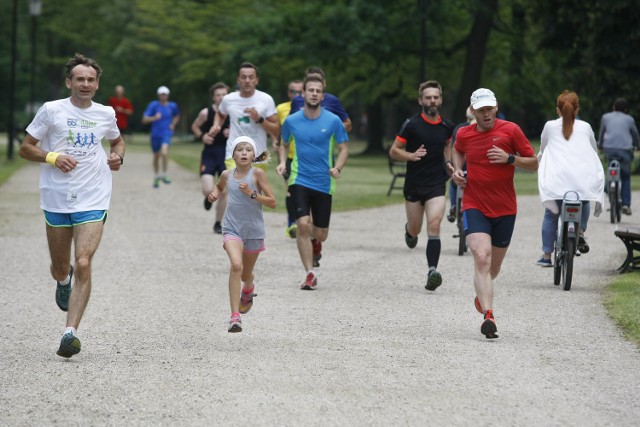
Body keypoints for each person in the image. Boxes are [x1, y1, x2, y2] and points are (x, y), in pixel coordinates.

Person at [18, 53, 125, 358]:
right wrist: (52, 157)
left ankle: (70, 333)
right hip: (56, 195)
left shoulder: (105, 113)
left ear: (97, 84)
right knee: (61, 266)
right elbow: (26, 148)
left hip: (94, 194)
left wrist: (118, 156)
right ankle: (62, 281)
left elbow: (117, 141)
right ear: (69, 82)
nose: (85, 84)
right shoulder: (51, 111)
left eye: (91, 79)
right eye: (80, 79)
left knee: (84, 262)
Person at [451, 88, 538, 339]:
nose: (486, 114)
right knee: (481, 257)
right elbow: (457, 149)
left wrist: (510, 159)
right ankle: (488, 315)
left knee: (493, 268)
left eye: (489, 108)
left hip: (505, 209)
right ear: (473, 111)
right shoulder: (464, 133)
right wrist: (458, 170)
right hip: (474, 204)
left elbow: (533, 163)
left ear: (496, 107)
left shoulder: (511, 130)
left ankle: (482, 296)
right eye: (481, 110)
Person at [277, 74, 349, 290]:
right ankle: (309, 273)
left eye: (318, 91)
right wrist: (282, 162)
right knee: (302, 224)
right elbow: (282, 143)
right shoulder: (291, 121)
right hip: (299, 177)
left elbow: (344, 148)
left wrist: (337, 168)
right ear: (304, 93)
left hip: (324, 182)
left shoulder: (333, 121)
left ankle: (316, 243)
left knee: (321, 233)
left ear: (322, 95)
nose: (314, 94)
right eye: (311, 90)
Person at [389, 80, 455, 291]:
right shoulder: (412, 124)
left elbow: (448, 148)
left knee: (434, 225)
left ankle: (432, 271)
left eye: (436, 97)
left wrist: (450, 164)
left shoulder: (447, 127)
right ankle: (409, 232)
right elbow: (394, 151)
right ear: (420, 100)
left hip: (436, 183)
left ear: (441, 100)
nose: (432, 100)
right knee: (417, 229)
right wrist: (411, 155)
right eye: (428, 97)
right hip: (414, 185)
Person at [207, 136, 276, 332]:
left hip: (253, 231)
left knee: (246, 274)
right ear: (233, 155)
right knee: (236, 265)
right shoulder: (226, 175)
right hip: (232, 228)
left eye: (248, 149)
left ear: (254, 155)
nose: (244, 152)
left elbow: (273, 202)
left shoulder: (258, 175)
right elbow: (219, 187)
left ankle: (249, 288)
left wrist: (252, 194)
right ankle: (235, 317)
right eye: (240, 149)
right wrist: (215, 193)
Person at [537, 90, 604, 266]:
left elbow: (544, 149)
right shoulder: (586, 127)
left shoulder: (550, 126)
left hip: (556, 181)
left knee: (551, 215)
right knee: (584, 200)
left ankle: (546, 256)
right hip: (580, 181)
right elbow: (593, 150)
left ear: (558, 109)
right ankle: (580, 231)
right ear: (577, 109)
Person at [209, 62, 279, 171]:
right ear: (238, 80)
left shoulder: (266, 99)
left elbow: (276, 130)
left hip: (260, 155)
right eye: (243, 77)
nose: (247, 80)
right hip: (233, 153)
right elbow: (220, 114)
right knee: (236, 186)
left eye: (251, 77)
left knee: (253, 188)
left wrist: (260, 119)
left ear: (257, 80)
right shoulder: (228, 99)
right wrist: (216, 125)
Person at [191, 82, 231, 233]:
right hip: (209, 153)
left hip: (226, 154)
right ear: (213, 97)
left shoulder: (233, 112)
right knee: (209, 189)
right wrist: (202, 136)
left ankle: (218, 223)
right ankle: (208, 197)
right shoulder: (206, 113)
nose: (221, 97)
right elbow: (194, 126)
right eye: (218, 95)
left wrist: (232, 132)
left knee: (224, 191)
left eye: (224, 94)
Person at [598, 98, 640, 215]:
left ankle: (608, 189)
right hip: (625, 150)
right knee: (626, 176)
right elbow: (635, 135)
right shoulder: (630, 119)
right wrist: (637, 145)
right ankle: (626, 204)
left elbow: (602, 133)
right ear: (626, 109)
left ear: (613, 107)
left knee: (610, 170)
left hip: (609, 150)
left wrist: (601, 145)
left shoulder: (605, 117)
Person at [276, 79, 304, 239]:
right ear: (289, 93)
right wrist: (276, 141)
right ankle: (291, 223)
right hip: (289, 157)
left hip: (305, 158)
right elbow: (279, 129)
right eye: (294, 92)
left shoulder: (309, 108)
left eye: (300, 92)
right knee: (291, 190)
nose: (297, 95)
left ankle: (301, 222)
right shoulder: (281, 109)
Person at [142, 85, 181, 188]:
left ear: (168, 95)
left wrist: (173, 124)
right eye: (162, 94)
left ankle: (164, 174)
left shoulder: (172, 106)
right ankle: (156, 176)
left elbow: (177, 115)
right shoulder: (154, 105)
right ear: (159, 95)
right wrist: (155, 117)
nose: (163, 96)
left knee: (164, 152)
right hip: (155, 134)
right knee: (156, 156)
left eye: (165, 94)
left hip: (166, 133)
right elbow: (144, 119)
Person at [447, 107, 476, 222]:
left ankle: (453, 205)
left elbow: (454, 147)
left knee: (454, 182)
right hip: (475, 167)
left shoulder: (459, 128)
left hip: (461, 165)